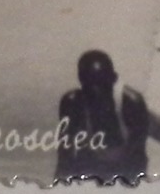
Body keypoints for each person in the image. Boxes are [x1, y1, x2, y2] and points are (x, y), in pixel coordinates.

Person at [55, 50, 149, 184]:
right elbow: (65, 157)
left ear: (113, 79)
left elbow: (138, 157)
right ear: (81, 81)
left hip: (124, 167)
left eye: (102, 83)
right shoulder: (72, 103)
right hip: (89, 167)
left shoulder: (132, 103)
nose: (96, 90)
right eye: (90, 84)